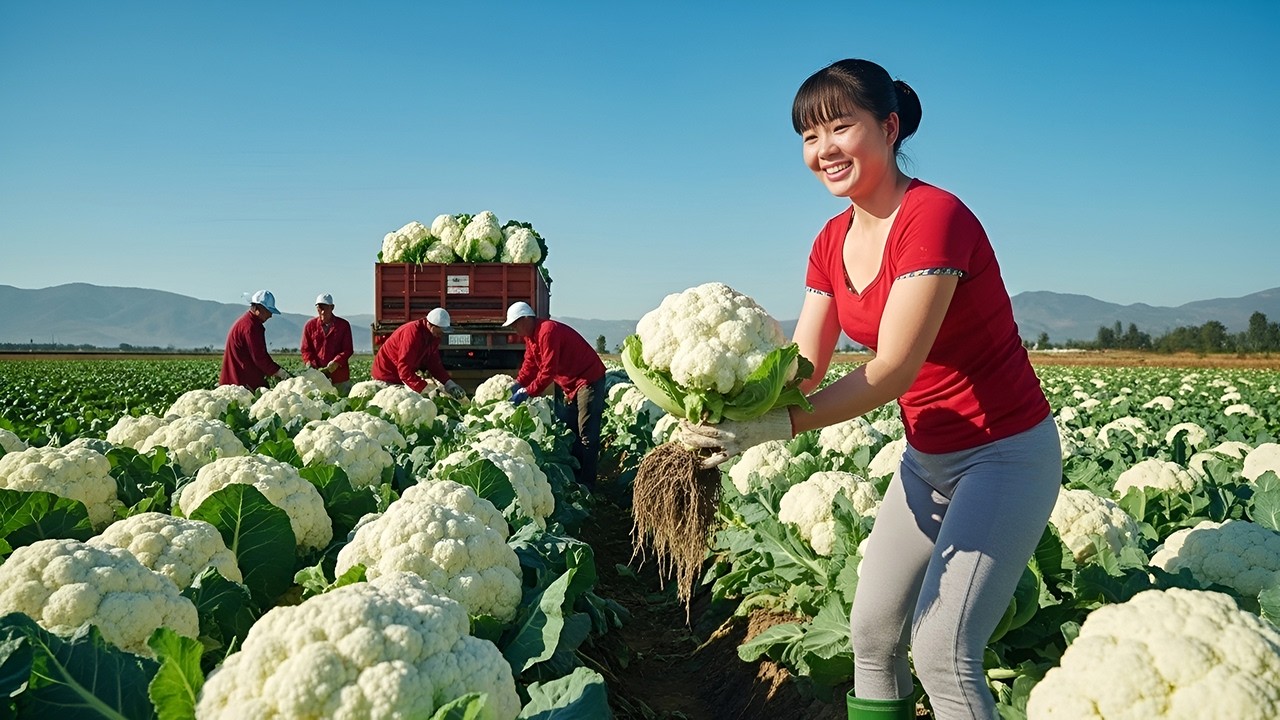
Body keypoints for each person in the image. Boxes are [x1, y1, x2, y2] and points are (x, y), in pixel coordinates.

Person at [678, 59, 1060, 720]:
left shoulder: (934, 217)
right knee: (872, 636)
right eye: (808, 135)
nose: (823, 149)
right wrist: (721, 407)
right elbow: (802, 366)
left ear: (888, 128)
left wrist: (773, 429)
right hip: (927, 463)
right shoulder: (830, 242)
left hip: (1003, 454)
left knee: (943, 651)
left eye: (839, 126)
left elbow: (893, 370)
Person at [503, 301, 606, 488]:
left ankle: (588, 483)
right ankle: (575, 476)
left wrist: (528, 391)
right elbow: (530, 364)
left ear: (527, 319)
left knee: (587, 434)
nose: (514, 329)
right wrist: (519, 382)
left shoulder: (547, 331)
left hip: (587, 379)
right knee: (569, 432)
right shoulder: (531, 336)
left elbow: (548, 371)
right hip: (570, 384)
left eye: (516, 324)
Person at [371, 307, 467, 400]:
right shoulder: (413, 334)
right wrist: (423, 388)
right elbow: (404, 369)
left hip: (400, 377)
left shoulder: (434, 336)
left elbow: (434, 364)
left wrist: (449, 383)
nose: (441, 335)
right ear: (430, 325)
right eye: (440, 331)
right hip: (386, 375)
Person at [220, 289, 291, 390]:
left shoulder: (246, 322)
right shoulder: (251, 327)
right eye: (269, 311)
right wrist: (279, 372)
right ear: (259, 308)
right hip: (241, 382)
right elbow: (259, 357)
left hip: (235, 379)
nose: (270, 316)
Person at [300, 292, 354, 395]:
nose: (322, 312)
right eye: (320, 308)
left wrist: (336, 362)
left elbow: (348, 349)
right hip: (318, 377)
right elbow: (305, 349)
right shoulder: (310, 326)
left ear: (332, 307)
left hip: (339, 377)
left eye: (325, 308)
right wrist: (310, 362)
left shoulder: (343, 325)